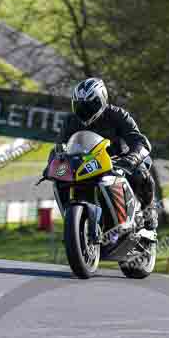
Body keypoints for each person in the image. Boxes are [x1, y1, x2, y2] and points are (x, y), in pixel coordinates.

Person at [52, 77, 158, 230]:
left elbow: (140, 142)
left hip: (119, 161)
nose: (84, 112)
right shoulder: (70, 121)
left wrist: (132, 158)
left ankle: (149, 209)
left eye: (89, 106)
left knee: (140, 172)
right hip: (87, 164)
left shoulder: (118, 115)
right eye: (79, 106)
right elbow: (60, 146)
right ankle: (75, 223)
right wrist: (54, 163)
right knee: (60, 181)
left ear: (102, 100)